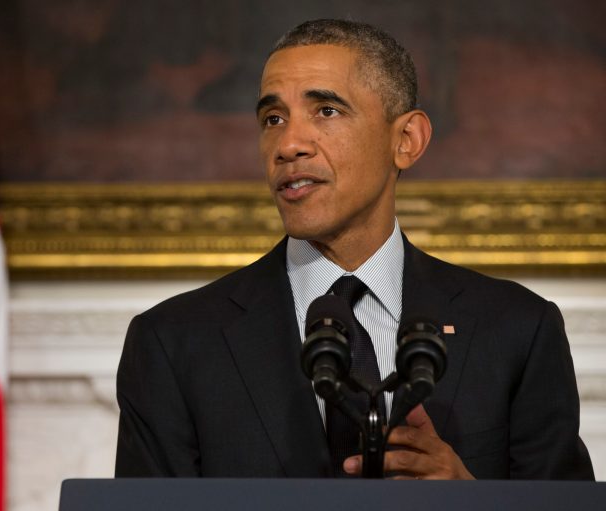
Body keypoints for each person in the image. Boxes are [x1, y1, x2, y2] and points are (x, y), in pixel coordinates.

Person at [114, 19, 594, 480]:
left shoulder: (519, 331)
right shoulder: (171, 345)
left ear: (406, 140)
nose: (288, 144)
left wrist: (470, 503)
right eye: (273, 118)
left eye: (326, 111)